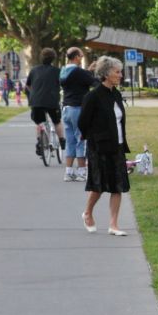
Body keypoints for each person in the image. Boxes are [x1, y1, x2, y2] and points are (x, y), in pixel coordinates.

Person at [77, 57, 130, 235]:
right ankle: (88, 213)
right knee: (98, 186)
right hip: (99, 147)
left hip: (118, 146)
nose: (120, 75)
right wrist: (95, 138)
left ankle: (113, 225)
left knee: (118, 186)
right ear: (106, 74)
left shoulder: (116, 94)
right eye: (117, 72)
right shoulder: (93, 96)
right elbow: (83, 122)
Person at [60, 47, 96, 182]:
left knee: (70, 141)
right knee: (81, 140)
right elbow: (94, 83)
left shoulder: (63, 71)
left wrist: (88, 71)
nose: (82, 58)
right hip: (78, 108)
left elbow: (77, 78)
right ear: (76, 57)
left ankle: (68, 172)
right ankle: (82, 172)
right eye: (81, 55)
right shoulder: (79, 72)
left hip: (66, 109)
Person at [26, 49, 64, 156]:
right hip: (52, 101)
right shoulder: (57, 71)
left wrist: (34, 92)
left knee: (39, 122)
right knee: (56, 121)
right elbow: (62, 84)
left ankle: (40, 141)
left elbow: (28, 85)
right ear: (53, 58)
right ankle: (62, 140)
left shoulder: (34, 70)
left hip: (36, 101)